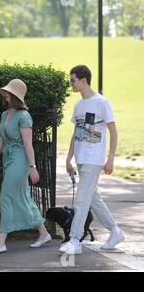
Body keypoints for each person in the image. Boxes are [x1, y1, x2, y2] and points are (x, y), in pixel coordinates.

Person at [60, 65, 125, 255]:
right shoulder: (78, 105)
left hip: (94, 159)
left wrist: (111, 158)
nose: (70, 84)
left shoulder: (102, 102)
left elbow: (113, 131)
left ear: (83, 80)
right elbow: (76, 132)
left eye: (72, 80)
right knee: (94, 199)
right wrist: (69, 158)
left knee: (81, 200)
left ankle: (74, 239)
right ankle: (115, 231)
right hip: (81, 158)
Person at [0, 79, 51, 254]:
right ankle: (43, 233)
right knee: (23, 198)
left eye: (7, 93)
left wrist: (32, 167)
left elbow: (28, 144)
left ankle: (1, 242)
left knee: (6, 195)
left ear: (14, 95)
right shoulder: (5, 115)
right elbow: (1, 140)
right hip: (8, 159)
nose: (4, 95)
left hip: (20, 161)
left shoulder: (24, 116)